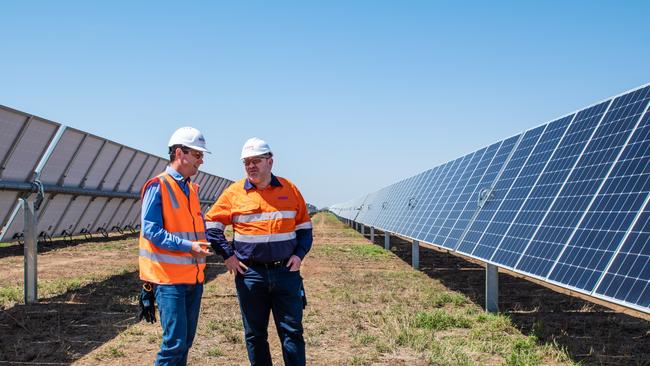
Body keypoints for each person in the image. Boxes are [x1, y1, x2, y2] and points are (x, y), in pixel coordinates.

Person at [205, 137, 313, 366]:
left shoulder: (290, 189)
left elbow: (305, 229)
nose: (251, 166)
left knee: (292, 332)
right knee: (255, 335)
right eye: (247, 162)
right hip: (251, 275)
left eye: (256, 161)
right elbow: (212, 226)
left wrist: (299, 255)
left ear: (270, 162)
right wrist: (228, 255)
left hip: (286, 272)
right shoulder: (234, 193)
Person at [138, 126, 213, 365]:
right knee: (174, 344)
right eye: (197, 155)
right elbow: (150, 230)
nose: (201, 161)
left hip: (193, 278)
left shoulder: (191, 189)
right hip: (168, 279)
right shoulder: (158, 185)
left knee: (185, 342)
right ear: (180, 153)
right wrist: (188, 246)